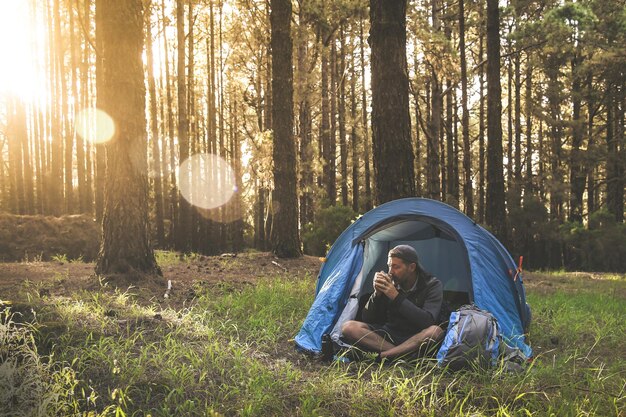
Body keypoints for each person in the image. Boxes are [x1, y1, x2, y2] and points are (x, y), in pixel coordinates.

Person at [341, 244, 445, 361]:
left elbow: (427, 321)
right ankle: (403, 355)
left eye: (396, 267)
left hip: (415, 336)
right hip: (389, 334)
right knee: (348, 327)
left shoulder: (432, 285)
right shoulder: (391, 282)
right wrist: (377, 294)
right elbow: (367, 319)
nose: (391, 272)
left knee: (435, 331)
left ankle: (383, 356)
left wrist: (396, 297)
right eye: (389, 266)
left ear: (411, 267)